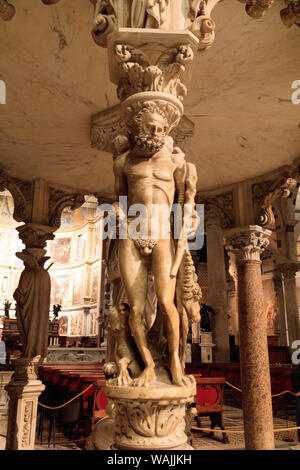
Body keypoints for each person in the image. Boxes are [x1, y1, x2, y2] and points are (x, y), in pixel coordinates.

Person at [113, 102, 198, 387]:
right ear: (139, 127)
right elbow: (120, 198)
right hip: (132, 234)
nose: (157, 131)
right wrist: (119, 215)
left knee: (166, 302)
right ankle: (148, 365)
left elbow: (186, 202)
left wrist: (188, 222)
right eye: (151, 126)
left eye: (161, 128)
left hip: (162, 234)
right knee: (135, 308)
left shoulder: (176, 163)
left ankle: (174, 360)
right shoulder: (123, 162)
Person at [291, 363, 300, 443]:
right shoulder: (296, 369)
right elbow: (294, 380)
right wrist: (297, 391)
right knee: (299, 418)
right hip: (299, 395)